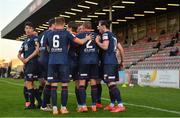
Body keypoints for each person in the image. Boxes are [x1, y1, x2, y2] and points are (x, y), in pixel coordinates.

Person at [46, 17, 92, 115]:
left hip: (52, 61)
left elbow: (47, 47)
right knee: (64, 86)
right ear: (64, 23)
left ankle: (54, 108)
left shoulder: (49, 34)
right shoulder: (67, 33)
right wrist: (87, 38)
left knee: (53, 86)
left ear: (55, 23)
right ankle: (63, 108)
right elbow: (80, 42)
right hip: (63, 61)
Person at [96, 20, 125, 112]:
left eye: (99, 26)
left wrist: (97, 42)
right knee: (110, 84)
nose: (98, 27)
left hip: (108, 62)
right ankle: (112, 104)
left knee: (111, 84)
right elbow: (121, 49)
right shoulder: (114, 36)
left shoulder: (105, 34)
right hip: (113, 61)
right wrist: (122, 61)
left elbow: (105, 46)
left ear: (103, 26)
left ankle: (120, 105)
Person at [18, 21, 41, 109]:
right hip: (27, 64)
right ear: (24, 29)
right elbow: (19, 54)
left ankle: (32, 104)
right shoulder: (24, 41)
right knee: (31, 84)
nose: (28, 30)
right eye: (26, 28)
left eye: (29, 28)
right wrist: (22, 59)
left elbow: (37, 50)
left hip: (33, 63)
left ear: (33, 29)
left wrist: (27, 59)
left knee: (28, 83)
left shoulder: (35, 38)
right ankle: (40, 102)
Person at [76, 21, 99, 112]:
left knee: (82, 83)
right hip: (94, 61)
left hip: (83, 61)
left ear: (84, 27)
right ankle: (94, 106)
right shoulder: (96, 35)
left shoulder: (80, 35)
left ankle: (83, 106)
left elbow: (75, 45)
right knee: (93, 83)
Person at [39, 18, 55, 112]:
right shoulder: (51, 33)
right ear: (53, 25)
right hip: (47, 59)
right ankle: (44, 105)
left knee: (47, 81)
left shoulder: (42, 33)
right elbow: (50, 47)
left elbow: (38, 46)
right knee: (50, 81)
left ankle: (46, 103)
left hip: (41, 58)